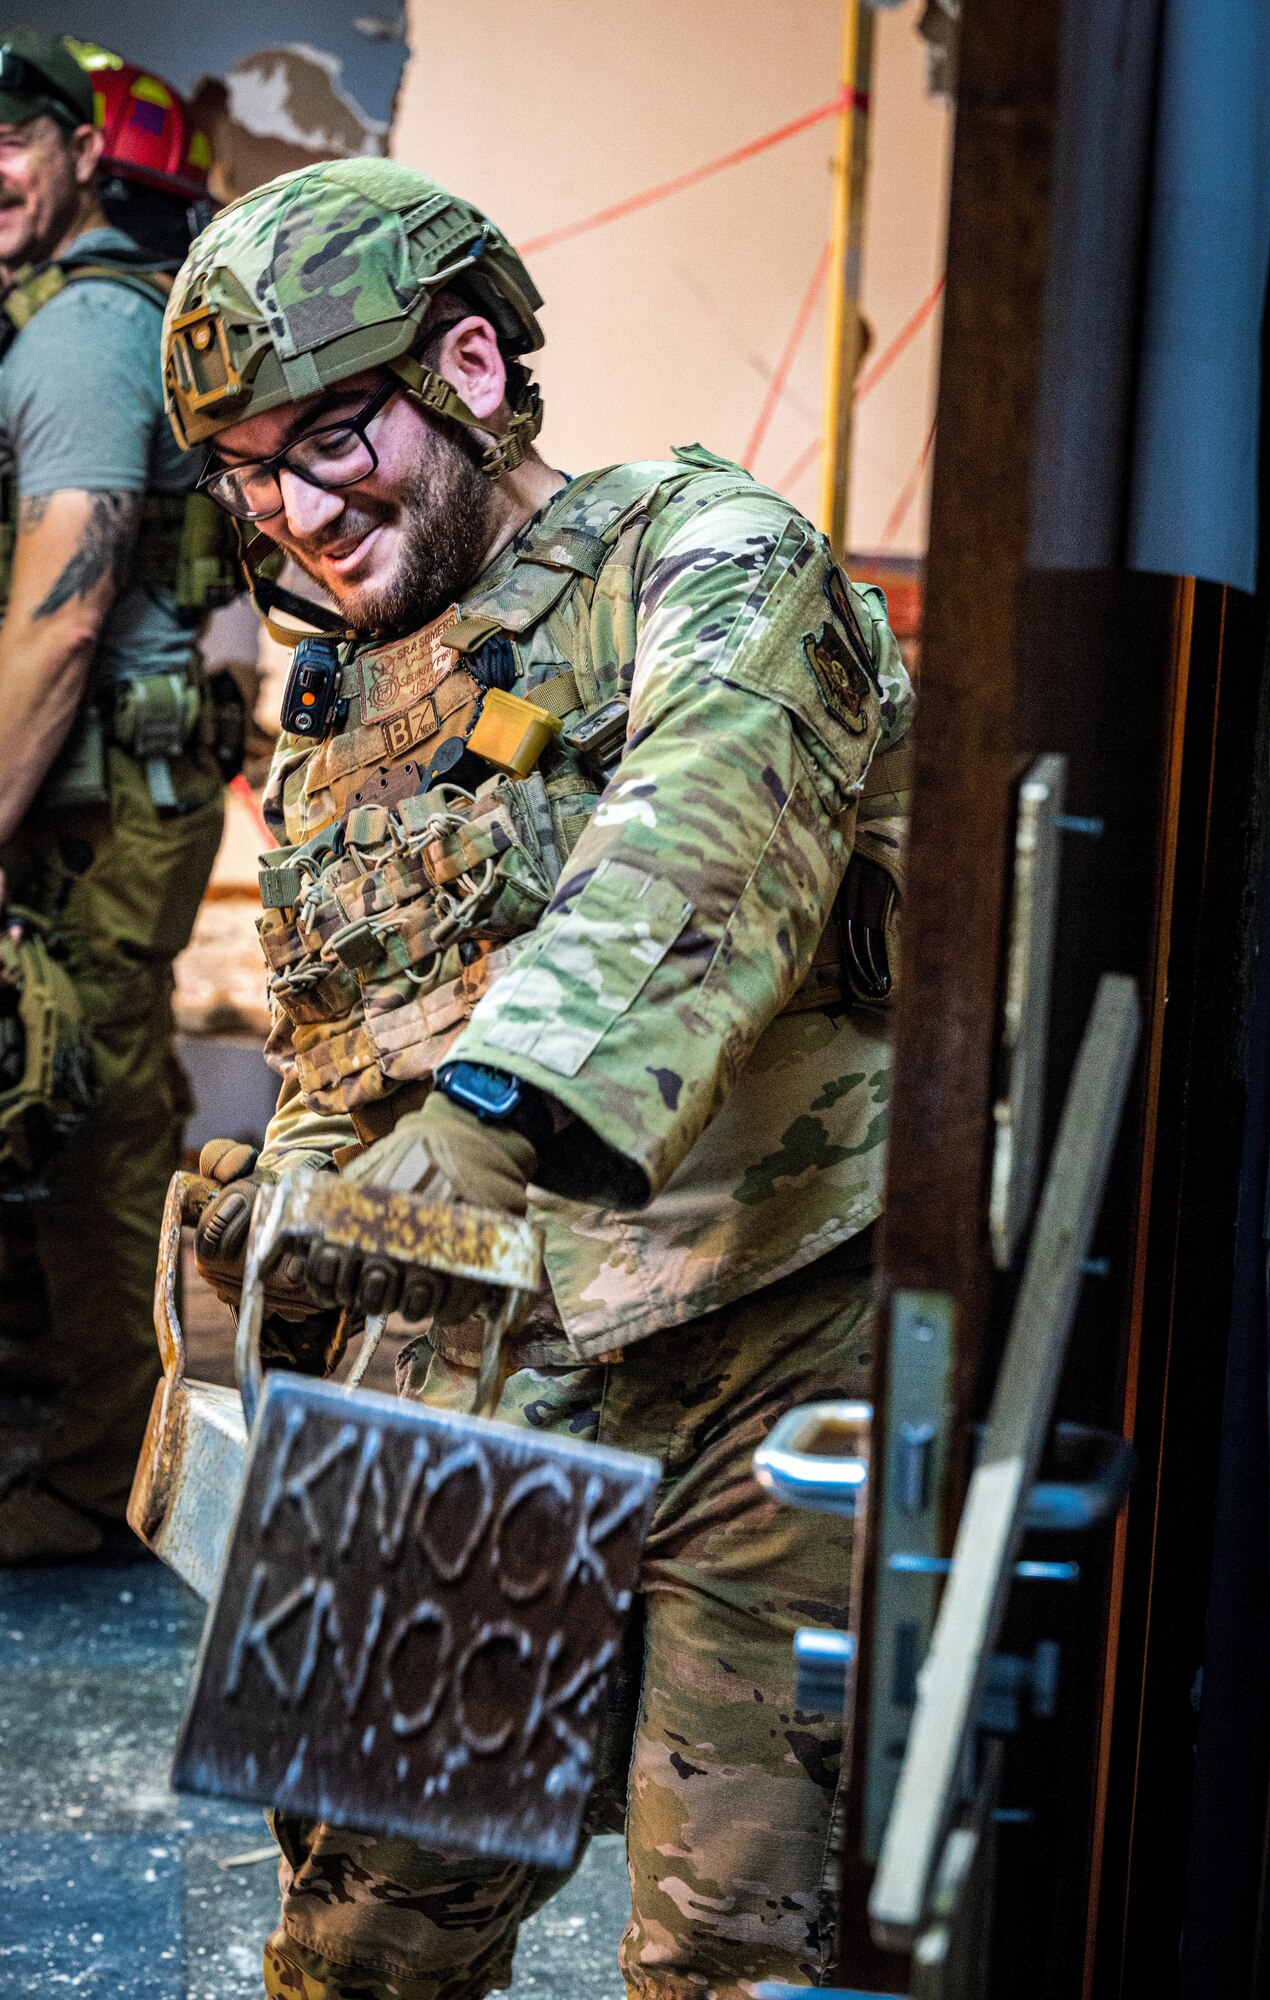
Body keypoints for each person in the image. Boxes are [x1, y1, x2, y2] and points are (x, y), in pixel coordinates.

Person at [173, 157, 913, 1999]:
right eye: (251, 470)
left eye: (333, 437)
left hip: (775, 1348)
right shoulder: (343, 698)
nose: (299, 509)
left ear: (475, 372)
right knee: (356, 1953)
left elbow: (700, 835)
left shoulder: (709, 552)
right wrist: (300, 1213)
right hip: (475, 1374)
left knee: (741, 1961)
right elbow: (354, 1026)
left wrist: (490, 1131)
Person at [0, 30, 229, 1563]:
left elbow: (62, 614)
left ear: (81, 151)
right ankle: (88, 1417)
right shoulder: (73, 316)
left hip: (92, 795)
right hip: (99, 783)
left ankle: (98, 1477)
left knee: (77, 1111)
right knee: (82, 1096)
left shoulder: (80, 333)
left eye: (11, 144)